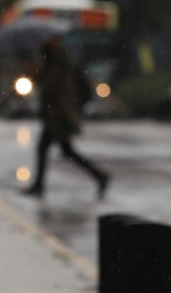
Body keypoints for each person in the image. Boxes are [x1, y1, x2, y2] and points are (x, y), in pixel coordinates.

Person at [23, 36, 110, 199]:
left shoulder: (59, 61)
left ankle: (39, 186)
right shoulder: (54, 59)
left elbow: (50, 85)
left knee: (48, 149)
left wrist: (36, 75)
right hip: (56, 114)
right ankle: (99, 176)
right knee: (65, 151)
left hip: (59, 115)